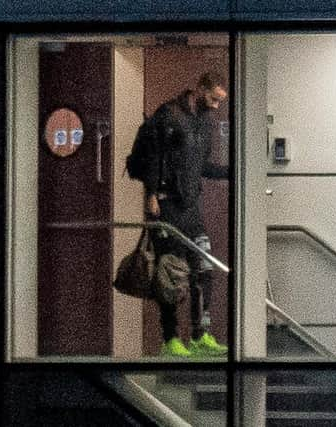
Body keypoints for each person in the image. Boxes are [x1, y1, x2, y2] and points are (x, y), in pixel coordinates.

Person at [143, 72, 229, 358]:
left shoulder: (203, 122)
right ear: (200, 88)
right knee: (171, 272)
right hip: (167, 204)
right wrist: (152, 193)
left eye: (220, 101)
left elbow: (199, 166)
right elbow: (153, 155)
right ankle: (170, 338)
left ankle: (200, 334)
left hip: (191, 206)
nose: (217, 106)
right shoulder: (169, 114)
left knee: (204, 268)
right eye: (214, 99)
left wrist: (232, 171)